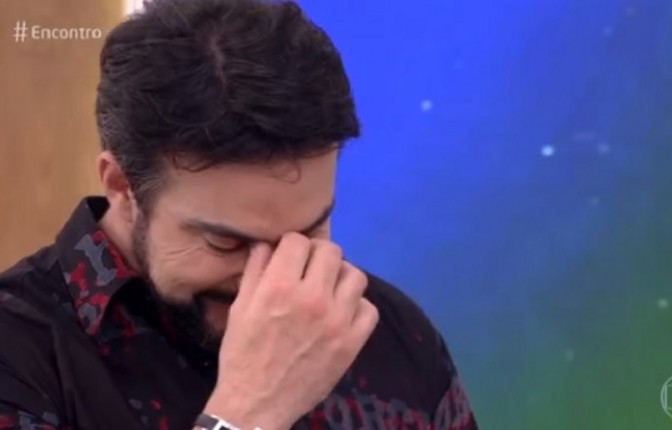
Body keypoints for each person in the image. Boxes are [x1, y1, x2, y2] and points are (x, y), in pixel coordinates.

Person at [0, 0, 477, 429]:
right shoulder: (19, 351)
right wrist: (247, 415)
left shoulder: (393, 332)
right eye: (227, 243)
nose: (273, 283)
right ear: (123, 186)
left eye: (309, 231)